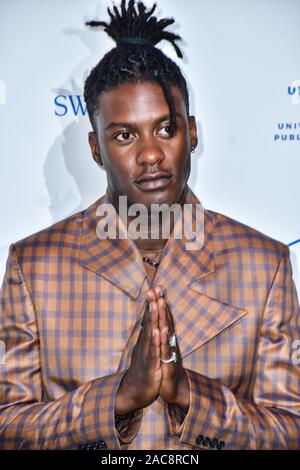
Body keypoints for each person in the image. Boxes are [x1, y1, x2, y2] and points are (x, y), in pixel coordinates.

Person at [0, 0, 299, 450]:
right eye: (124, 135)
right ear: (96, 149)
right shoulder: (34, 267)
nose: (151, 155)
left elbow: (290, 432)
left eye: (165, 128)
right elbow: (8, 426)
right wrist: (116, 397)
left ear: (192, 132)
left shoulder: (264, 265)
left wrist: (189, 394)